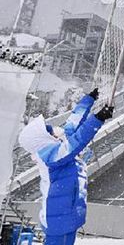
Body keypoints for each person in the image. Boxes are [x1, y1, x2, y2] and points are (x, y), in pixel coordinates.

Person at [18, 89, 114, 245]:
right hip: (59, 219)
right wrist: (97, 119)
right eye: (49, 131)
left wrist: (88, 100)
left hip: (66, 215)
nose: (55, 132)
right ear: (42, 139)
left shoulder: (55, 148)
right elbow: (74, 143)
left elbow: (72, 123)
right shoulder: (49, 156)